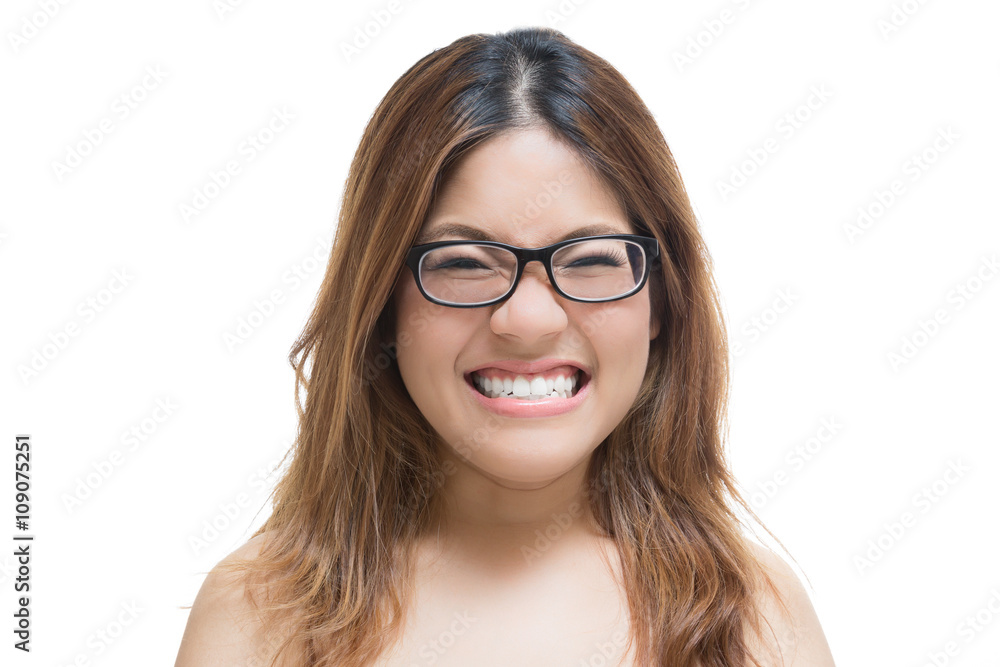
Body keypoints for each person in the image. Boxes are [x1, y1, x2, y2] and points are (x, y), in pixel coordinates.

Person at [175, 26, 836, 667]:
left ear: (661, 299)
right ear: (380, 302)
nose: (527, 319)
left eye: (591, 259)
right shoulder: (259, 617)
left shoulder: (757, 615)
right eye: (463, 263)